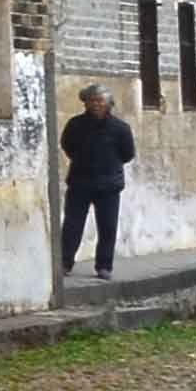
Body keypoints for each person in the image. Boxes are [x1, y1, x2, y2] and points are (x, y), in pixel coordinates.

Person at [57, 83, 136, 279]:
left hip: (109, 185)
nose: (96, 105)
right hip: (79, 183)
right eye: (93, 101)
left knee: (108, 227)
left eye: (101, 101)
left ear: (109, 104)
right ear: (86, 103)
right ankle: (64, 262)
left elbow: (127, 154)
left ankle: (104, 266)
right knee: (72, 225)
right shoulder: (75, 125)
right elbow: (67, 145)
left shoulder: (120, 128)